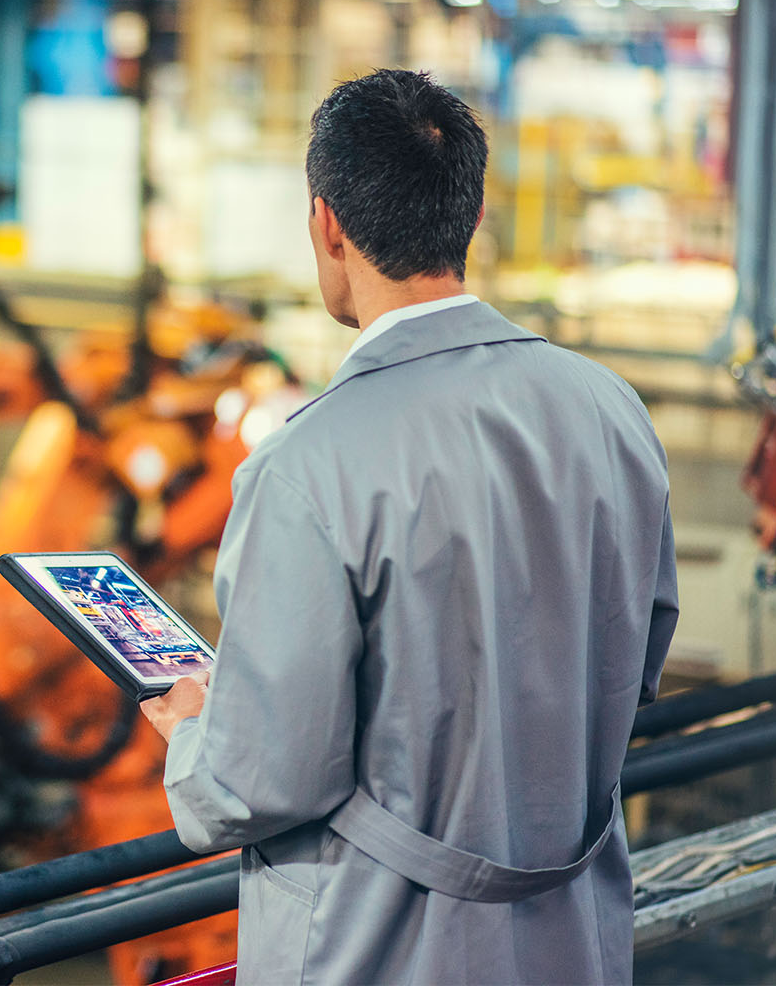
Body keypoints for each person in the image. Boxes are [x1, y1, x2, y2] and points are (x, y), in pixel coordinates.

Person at [140, 69, 678, 985]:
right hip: (572, 938)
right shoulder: (609, 409)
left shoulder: (307, 465)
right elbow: (636, 664)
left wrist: (197, 730)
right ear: (469, 221)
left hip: (382, 951)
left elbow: (262, 782)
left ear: (326, 225)